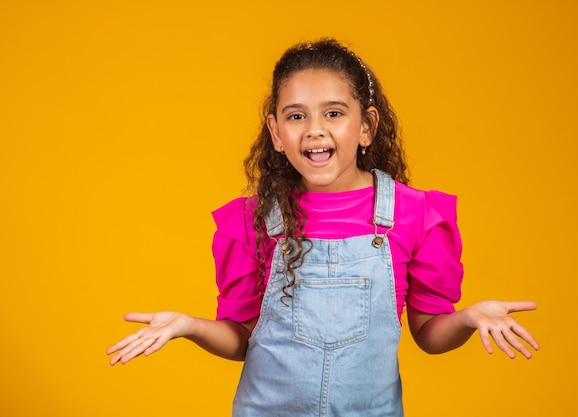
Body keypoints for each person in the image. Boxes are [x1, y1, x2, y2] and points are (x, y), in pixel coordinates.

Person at [107, 38, 539, 416]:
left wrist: (466, 319)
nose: (315, 130)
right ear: (276, 133)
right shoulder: (252, 220)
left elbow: (429, 334)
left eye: (334, 113)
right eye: (295, 117)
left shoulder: (416, 215)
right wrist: (189, 326)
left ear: (366, 126)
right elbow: (241, 338)